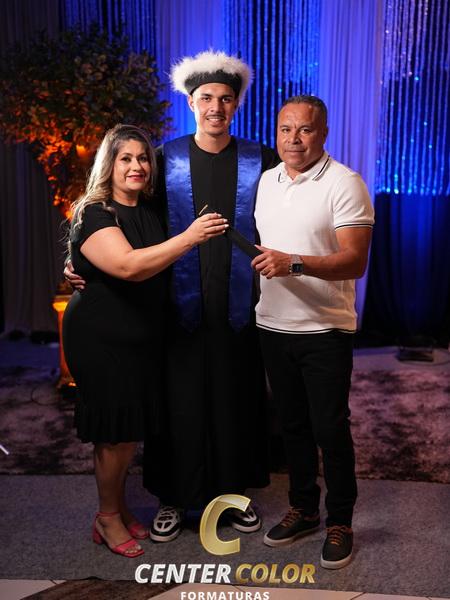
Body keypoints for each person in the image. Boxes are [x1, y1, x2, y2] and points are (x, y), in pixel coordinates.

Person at [62, 124, 227, 558]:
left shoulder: (149, 209)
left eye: (142, 158)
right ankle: (107, 516)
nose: (136, 166)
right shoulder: (95, 212)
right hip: (102, 337)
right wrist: (190, 237)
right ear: (109, 165)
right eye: (125, 159)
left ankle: (116, 508)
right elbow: (129, 266)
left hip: (140, 336)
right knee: (113, 434)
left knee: (128, 430)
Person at [142, 51, 278, 542]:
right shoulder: (165, 159)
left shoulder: (261, 159)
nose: (215, 107)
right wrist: (86, 263)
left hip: (240, 305)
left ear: (236, 104)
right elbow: (134, 220)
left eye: (225, 99)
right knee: (177, 403)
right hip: (177, 307)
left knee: (235, 401)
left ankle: (234, 495)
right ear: (191, 102)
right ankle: (172, 497)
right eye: (206, 98)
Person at [251, 95, 374, 569]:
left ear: (323, 133)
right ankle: (303, 509)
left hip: (324, 328)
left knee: (330, 428)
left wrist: (295, 263)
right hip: (272, 324)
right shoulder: (267, 181)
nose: (294, 139)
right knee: (292, 426)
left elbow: (355, 261)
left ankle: (340, 521)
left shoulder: (345, 182)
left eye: (304, 130)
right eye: (286, 129)